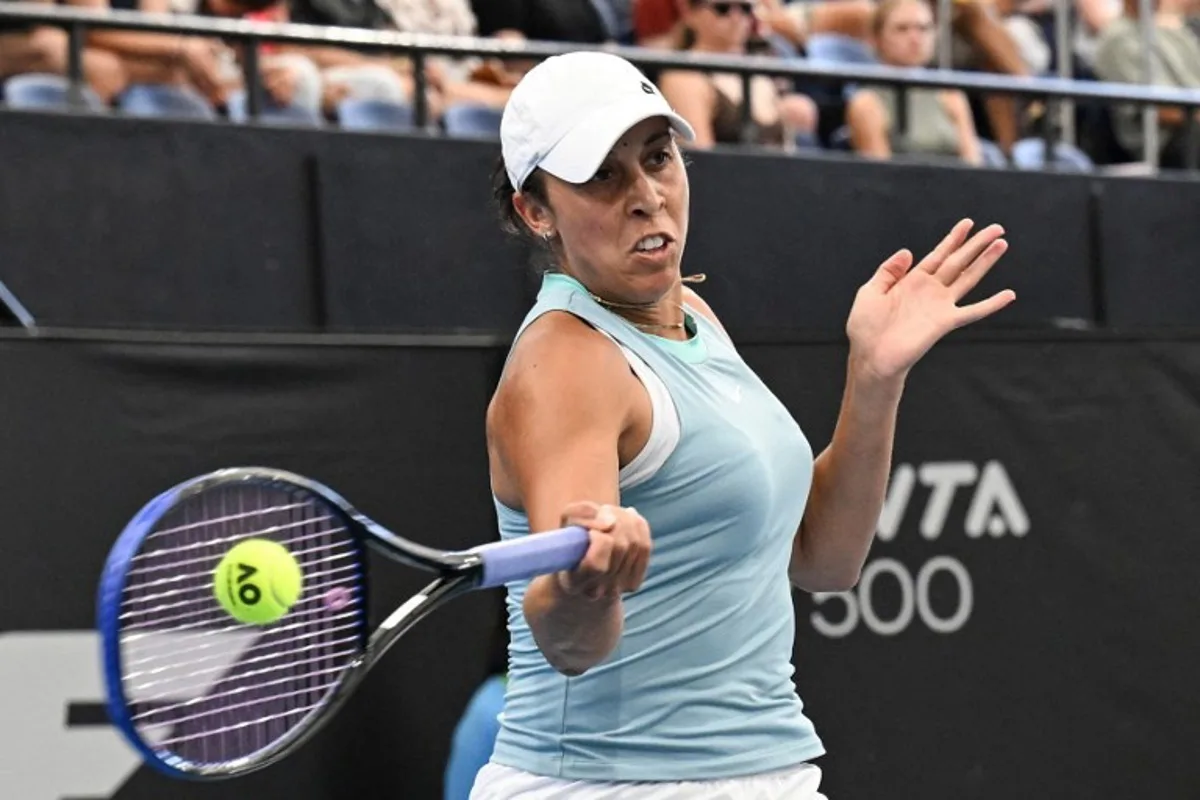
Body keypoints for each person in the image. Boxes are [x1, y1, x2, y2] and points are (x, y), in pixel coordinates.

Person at [472, 50, 1014, 799]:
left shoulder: (691, 314)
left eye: (658, 158)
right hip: (609, 787)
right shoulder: (564, 362)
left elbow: (824, 559)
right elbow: (567, 643)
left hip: (759, 774)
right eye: (603, 176)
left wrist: (874, 378)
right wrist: (588, 586)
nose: (648, 196)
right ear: (537, 212)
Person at [656, 0, 819, 149]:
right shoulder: (684, 75)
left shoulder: (762, 69)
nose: (736, 17)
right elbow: (699, 162)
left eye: (745, 9)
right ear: (691, 14)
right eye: (723, 9)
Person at [846, 0, 986, 165]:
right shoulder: (867, 102)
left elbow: (974, 168)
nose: (915, 38)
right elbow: (880, 176)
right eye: (902, 29)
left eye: (923, 28)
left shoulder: (951, 95)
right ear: (877, 38)